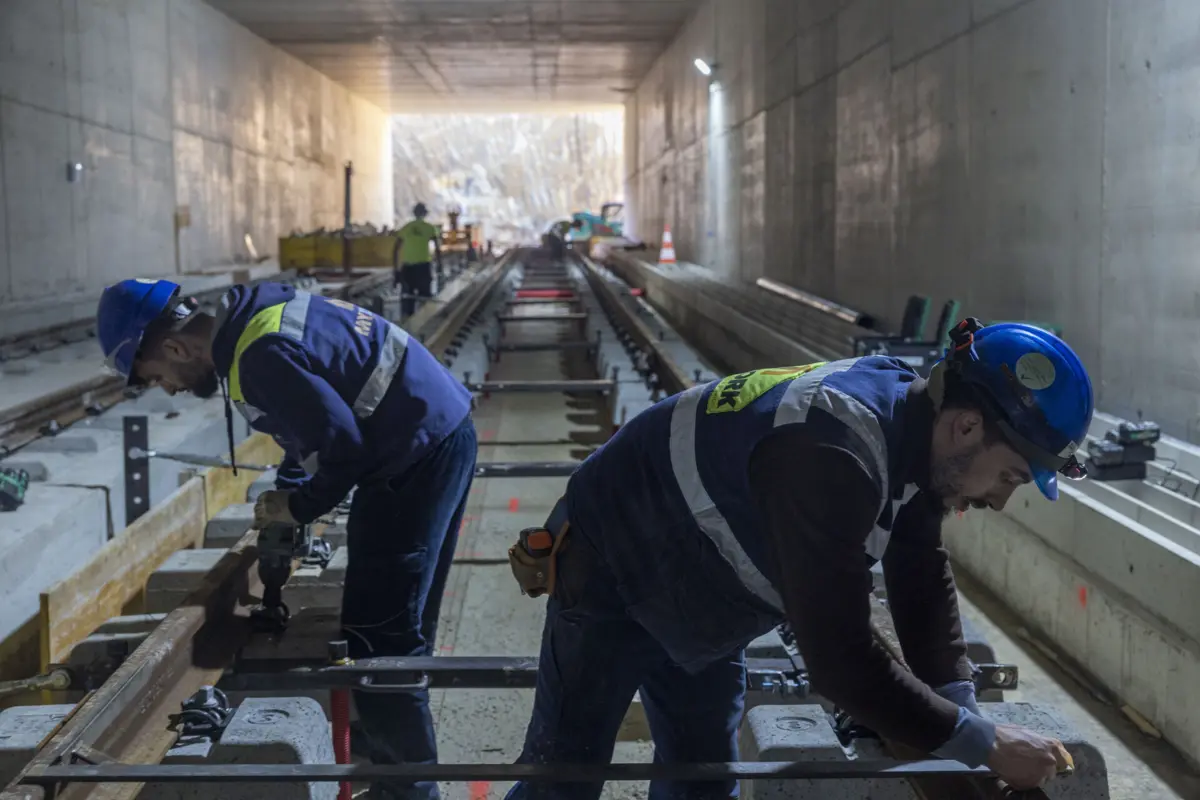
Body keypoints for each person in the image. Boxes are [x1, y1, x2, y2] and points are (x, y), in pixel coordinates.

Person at [505, 319, 1091, 799]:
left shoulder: (913, 426)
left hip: (710, 586)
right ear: (967, 426)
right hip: (617, 561)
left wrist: (961, 708)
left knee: (703, 780)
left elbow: (918, 569)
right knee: (564, 776)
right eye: (1012, 476)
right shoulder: (831, 453)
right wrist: (980, 743)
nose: (1000, 499)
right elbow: (838, 662)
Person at [95, 278, 476, 800]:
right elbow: (311, 423)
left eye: (157, 375)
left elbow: (342, 451)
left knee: (381, 635)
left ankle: (409, 790)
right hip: (431, 435)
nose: (169, 388)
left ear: (175, 347)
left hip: (413, 456)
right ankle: (387, 744)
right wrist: (290, 488)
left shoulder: (259, 358)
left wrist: (296, 507)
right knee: (397, 616)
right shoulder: (255, 315)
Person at [393, 203, 443, 316]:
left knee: (407, 299)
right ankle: (425, 324)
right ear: (425, 214)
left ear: (414, 213)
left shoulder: (406, 228)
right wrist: (440, 265)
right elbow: (437, 249)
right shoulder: (430, 228)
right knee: (425, 300)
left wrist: (396, 269)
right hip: (423, 268)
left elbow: (395, 249)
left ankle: (407, 323)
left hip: (408, 268)